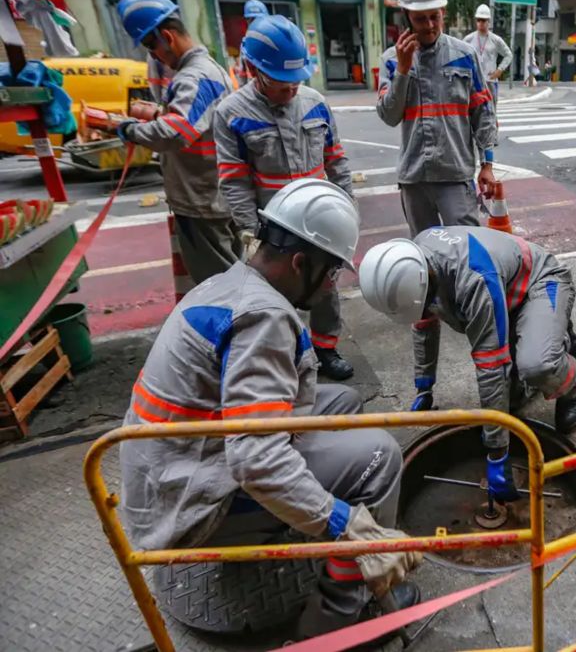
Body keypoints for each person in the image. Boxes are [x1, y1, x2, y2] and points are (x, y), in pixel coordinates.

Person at [119, 179, 422, 639]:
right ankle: (340, 617)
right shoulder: (264, 319)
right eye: (330, 273)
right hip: (193, 502)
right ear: (301, 262)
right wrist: (349, 528)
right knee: (380, 455)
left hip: (171, 469)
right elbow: (255, 460)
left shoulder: (230, 283)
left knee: (344, 401)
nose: (329, 288)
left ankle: (299, 518)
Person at [358, 226, 576, 503]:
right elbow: (424, 327)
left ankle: (570, 376)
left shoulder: (474, 280)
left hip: (540, 283)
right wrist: (424, 385)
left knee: (536, 366)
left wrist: (497, 452)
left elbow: (492, 368)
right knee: (510, 403)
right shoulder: (416, 264)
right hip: (504, 294)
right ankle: (551, 338)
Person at [214, 15, 356, 381]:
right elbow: (234, 181)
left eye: (297, 82)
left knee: (325, 288)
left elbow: (336, 161)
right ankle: (282, 354)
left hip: (318, 220)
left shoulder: (315, 103)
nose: (292, 91)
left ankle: (325, 349)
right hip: (270, 227)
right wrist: (249, 232)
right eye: (281, 84)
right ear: (253, 70)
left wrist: (348, 210)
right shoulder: (232, 114)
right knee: (271, 296)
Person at [115, 0, 241, 284]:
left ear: (167, 37)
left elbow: (175, 132)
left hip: (202, 198)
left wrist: (129, 130)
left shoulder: (194, 77)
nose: (153, 56)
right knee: (233, 276)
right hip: (213, 193)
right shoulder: (209, 71)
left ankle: (236, 328)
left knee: (219, 285)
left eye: (151, 47)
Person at [376, 0, 498, 237]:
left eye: (435, 17)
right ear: (406, 17)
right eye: (421, 19)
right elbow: (388, 115)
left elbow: (483, 114)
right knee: (426, 256)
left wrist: (487, 165)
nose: (430, 25)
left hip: (455, 176)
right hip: (414, 179)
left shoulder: (464, 55)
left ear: (444, 12)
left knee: (468, 249)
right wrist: (404, 71)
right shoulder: (391, 60)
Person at [464, 4, 512, 102]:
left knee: (491, 113)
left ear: (489, 22)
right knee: (474, 113)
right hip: (474, 82)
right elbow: (460, 55)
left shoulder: (496, 40)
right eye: (478, 20)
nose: (481, 23)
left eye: (483, 20)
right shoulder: (469, 39)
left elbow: (508, 55)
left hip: (490, 82)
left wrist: (500, 70)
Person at [232, 0, 269, 87]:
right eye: (251, 20)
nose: (254, 23)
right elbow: (242, 74)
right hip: (255, 93)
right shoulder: (245, 44)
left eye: (257, 19)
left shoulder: (276, 39)